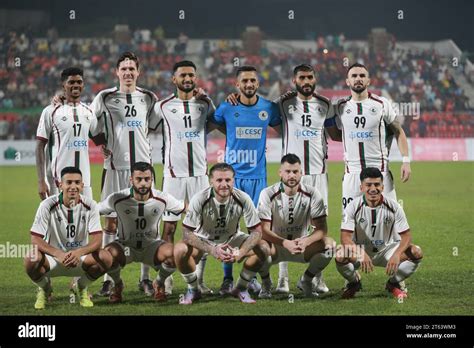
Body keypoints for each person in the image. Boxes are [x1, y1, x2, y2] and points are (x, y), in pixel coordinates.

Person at [90, 52, 161, 297]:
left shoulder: (149, 98)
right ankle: (110, 280)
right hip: (114, 168)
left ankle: (145, 279)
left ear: (138, 72)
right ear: (116, 72)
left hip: (142, 171)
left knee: (148, 224)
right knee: (110, 221)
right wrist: (103, 143)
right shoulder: (105, 97)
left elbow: (152, 127)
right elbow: (90, 124)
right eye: (124, 69)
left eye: (132, 69)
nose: (128, 72)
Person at [213, 65, 281, 295]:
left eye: (253, 80)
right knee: (228, 230)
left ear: (258, 83)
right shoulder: (226, 107)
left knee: (258, 232)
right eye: (245, 81)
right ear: (237, 84)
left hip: (258, 178)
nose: (249, 84)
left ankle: (258, 279)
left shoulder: (268, 108)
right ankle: (227, 279)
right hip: (231, 180)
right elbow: (219, 124)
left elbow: (284, 127)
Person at [274, 64, 340, 294]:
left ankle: (315, 278)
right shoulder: (283, 103)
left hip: (318, 174)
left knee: (318, 226)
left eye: (310, 77)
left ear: (315, 78)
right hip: (291, 175)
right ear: (294, 80)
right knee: (284, 224)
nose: (306, 80)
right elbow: (260, 114)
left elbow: (334, 134)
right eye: (302, 77)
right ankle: (282, 279)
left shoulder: (325, 104)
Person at [154, 60, 217, 295]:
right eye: (183, 75)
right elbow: (144, 125)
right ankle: (165, 279)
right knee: (169, 228)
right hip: (173, 176)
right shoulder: (162, 106)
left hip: (200, 175)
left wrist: (209, 99)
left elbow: (216, 123)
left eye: (191, 75)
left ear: (196, 78)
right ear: (174, 79)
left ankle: (198, 280)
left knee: (202, 230)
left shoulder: (204, 104)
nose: (188, 79)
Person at [174, 163, 269, 304]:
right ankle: (193, 290)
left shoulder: (243, 198)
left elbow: (256, 232)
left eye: (228, 180)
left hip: (232, 238)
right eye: (219, 180)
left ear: (233, 180)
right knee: (180, 250)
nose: (224, 184)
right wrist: (212, 249)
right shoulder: (200, 198)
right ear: (211, 181)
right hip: (204, 240)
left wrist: (241, 252)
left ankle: (241, 288)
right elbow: (187, 233)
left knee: (264, 248)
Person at [24, 167, 112, 309]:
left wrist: (79, 252)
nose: (73, 186)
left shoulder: (91, 205)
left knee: (106, 257)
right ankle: (45, 289)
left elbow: (97, 240)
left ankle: (81, 287)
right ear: (60, 185)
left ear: (82, 185)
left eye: (77, 182)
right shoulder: (47, 205)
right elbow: (35, 239)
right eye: (69, 182)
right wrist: (58, 253)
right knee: (31, 258)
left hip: (79, 259)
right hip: (53, 259)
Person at [98, 162, 186, 303]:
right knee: (106, 256)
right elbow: (94, 210)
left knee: (174, 254)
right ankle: (117, 284)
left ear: (152, 180)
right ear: (131, 180)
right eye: (139, 179)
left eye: (147, 179)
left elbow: (185, 208)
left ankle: (159, 282)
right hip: (125, 246)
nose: (143, 183)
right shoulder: (117, 198)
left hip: (152, 247)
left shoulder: (162, 198)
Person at [335, 167, 423, 299]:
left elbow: (406, 236)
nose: (373, 189)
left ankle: (394, 283)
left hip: (387, 250)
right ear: (361, 187)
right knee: (340, 254)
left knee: (416, 252)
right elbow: (345, 238)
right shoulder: (352, 207)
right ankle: (354, 283)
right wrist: (361, 253)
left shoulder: (394, 207)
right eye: (368, 185)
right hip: (362, 250)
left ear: (382, 187)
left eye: (377, 184)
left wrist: (397, 255)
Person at [334, 63, 411, 211]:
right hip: (352, 175)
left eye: (362, 76)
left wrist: (406, 161)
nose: (358, 79)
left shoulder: (382, 103)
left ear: (368, 81)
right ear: (347, 81)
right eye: (354, 76)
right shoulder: (340, 106)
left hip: (380, 172)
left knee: (390, 223)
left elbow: (398, 131)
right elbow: (332, 132)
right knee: (351, 227)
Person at [257, 154, 334, 298]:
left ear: (301, 173)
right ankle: (266, 283)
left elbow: (322, 229)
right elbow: (263, 230)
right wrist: (284, 242)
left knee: (330, 246)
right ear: (280, 172)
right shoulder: (267, 194)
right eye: (287, 171)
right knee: (259, 246)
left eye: (295, 171)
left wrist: (307, 241)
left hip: (302, 246)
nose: (291, 175)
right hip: (277, 246)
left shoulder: (312, 193)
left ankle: (306, 280)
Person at [36, 67, 101, 200]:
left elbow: (100, 138)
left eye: (79, 82)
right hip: (58, 180)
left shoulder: (88, 112)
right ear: (63, 85)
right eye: (71, 82)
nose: (76, 85)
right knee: (59, 220)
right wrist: (41, 181)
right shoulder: (50, 111)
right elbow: (39, 146)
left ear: (83, 84)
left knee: (85, 219)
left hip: (84, 181)